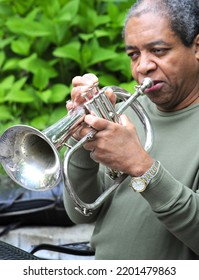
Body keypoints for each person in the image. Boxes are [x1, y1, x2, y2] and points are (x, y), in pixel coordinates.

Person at [63, 0, 199, 259]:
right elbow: (81, 213)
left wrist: (142, 167)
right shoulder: (127, 115)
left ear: (197, 47)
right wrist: (82, 141)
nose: (142, 66)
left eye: (158, 51)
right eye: (134, 54)